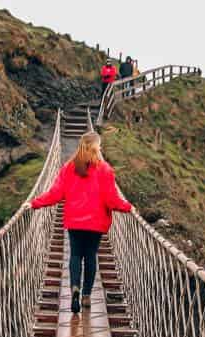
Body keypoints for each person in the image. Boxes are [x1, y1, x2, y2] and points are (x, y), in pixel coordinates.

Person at [30, 132, 133, 314]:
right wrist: (128, 207)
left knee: (75, 255)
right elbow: (111, 199)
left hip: (75, 221)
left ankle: (74, 289)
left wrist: (34, 203)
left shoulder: (69, 168)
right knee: (91, 256)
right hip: (96, 223)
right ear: (96, 147)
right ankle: (86, 295)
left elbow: (55, 193)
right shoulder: (105, 170)